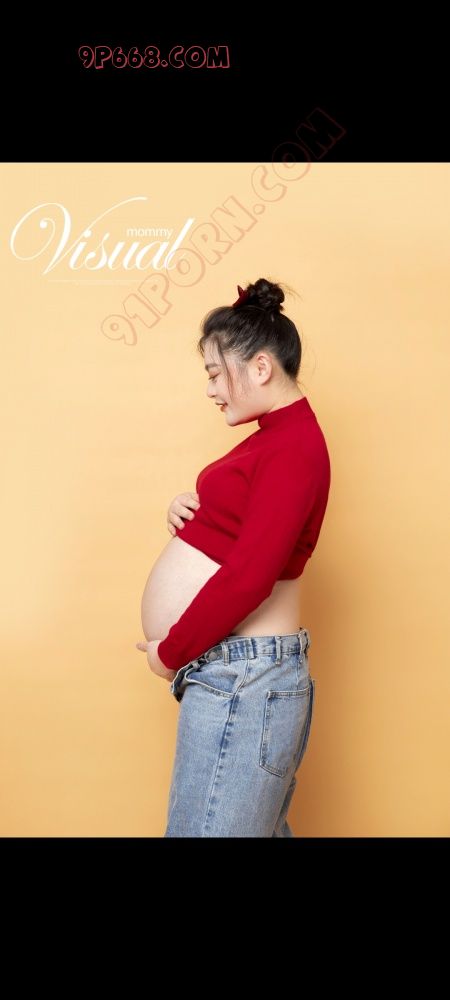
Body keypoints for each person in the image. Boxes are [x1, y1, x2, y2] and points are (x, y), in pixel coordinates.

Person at [163, 277, 331, 836]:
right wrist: (193, 512)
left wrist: (171, 651)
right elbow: (247, 531)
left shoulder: (293, 446)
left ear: (260, 367)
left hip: (247, 676)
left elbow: (251, 577)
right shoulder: (275, 440)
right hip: (242, 673)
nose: (211, 390)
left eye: (215, 374)